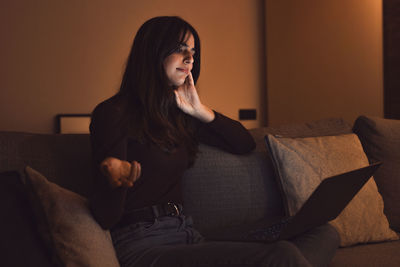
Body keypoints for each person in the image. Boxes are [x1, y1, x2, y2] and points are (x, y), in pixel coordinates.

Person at [89, 16, 339, 267]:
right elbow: (106, 218)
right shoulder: (113, 113)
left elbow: (244, 144)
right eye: (179, 49)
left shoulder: (179, 115)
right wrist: (116, 180)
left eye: (192, 51)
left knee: (321, 232)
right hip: (143, 244)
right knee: (282, 255)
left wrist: (199, 110)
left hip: (188, 234)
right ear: (152, 52)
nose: (189, 58)